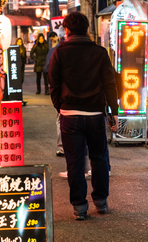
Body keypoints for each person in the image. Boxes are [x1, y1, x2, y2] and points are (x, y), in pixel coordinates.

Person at [49, 12, 119, 221]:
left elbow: (53, 83)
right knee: (99, 158)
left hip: (70, 115)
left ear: (67, 30)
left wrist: (60, 107)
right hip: (95, 114)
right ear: (87, 29)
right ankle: (101, 201)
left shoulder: (59, 52)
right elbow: (109, 83)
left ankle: (79, 206)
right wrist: (113, 111)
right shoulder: (99, 52)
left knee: (75, 162)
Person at [44, 32, 62, 153]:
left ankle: (62, 148)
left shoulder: (56, 51)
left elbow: (47, 70)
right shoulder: (97, 51)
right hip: (92, 103)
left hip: (65, 99)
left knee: (61, 121)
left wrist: (57, 103)